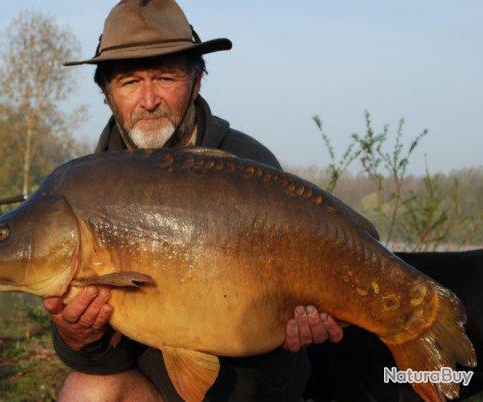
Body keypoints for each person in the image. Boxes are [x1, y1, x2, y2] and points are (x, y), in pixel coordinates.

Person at [44, 1, 344, 400]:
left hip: (249, 390)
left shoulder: (249, 165)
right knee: (85, 391)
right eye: (130, 82)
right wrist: (78, 336)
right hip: (151, 387)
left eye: (166, 78)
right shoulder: (84, 190)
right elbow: (103, 363)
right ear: (107, 93)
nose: (149, 100)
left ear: (196, 81)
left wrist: (298, 331)